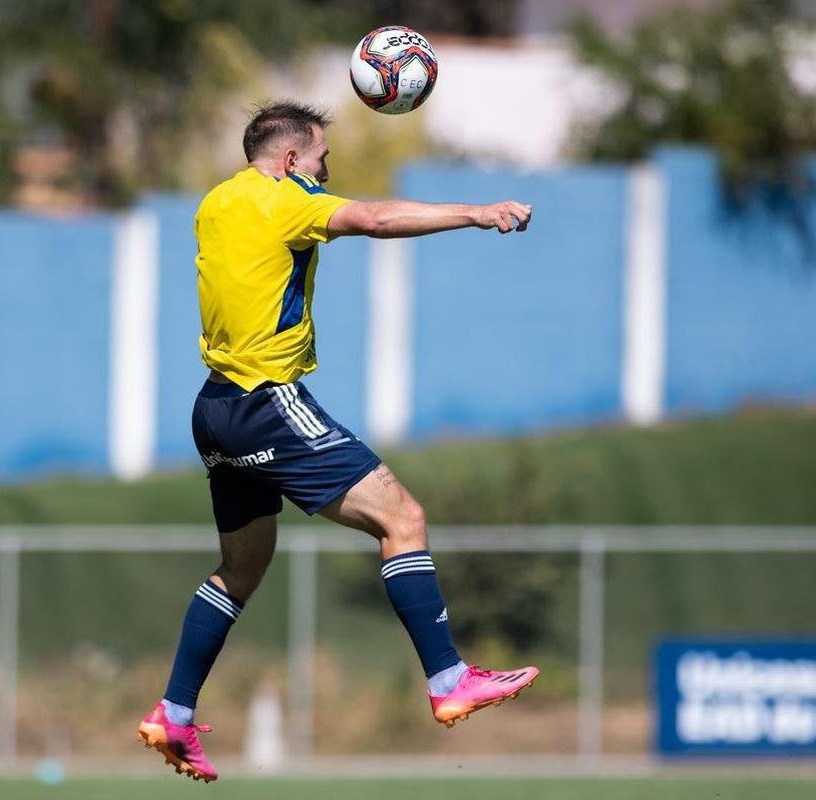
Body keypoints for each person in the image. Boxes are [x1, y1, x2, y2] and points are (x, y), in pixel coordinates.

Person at [137, 101, 538, 782]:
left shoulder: (216, 201)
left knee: (239, 571)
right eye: (321, 158)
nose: (326, 172)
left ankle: (174, 712)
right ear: (290, 160)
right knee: (402, 519)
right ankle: (447, 681)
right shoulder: (284, 199)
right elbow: (374, 219)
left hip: (213, 408)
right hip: (269, 402)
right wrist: (476, 211)